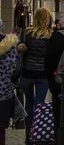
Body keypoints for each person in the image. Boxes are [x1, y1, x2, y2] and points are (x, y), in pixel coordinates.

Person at [19, 8, 53, 143]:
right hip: (42, 73)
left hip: (28, 72)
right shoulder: (50, 35)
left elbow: (23, 50)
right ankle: (37, 131)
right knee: (39, 104)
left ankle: (28, 131)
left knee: (29, 102)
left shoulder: (28, 33)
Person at [44, 21, 64, 141]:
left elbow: (49, 62)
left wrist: (52, 81)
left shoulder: (56, 38)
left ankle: (58, 137)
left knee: (58, 113)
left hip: (58, 82)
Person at [0, 17, 20, 145]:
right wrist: (12, 85)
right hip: (4, 92)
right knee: (1, 128)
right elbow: (14, 68)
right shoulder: (10, 45)